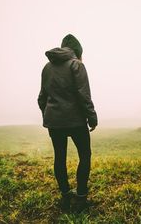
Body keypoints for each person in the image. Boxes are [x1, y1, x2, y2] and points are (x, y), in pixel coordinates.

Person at [37, 34, 98, 212]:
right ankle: (81, 197)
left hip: (54, 122)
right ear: (77, 51)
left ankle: (65, 195)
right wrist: (92, 117)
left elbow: (42, 98)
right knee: (85, 155)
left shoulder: (47, 67)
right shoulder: (77, 65)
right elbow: (84, 95)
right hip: (76, 122)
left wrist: (48, 116)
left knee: (59, 157)